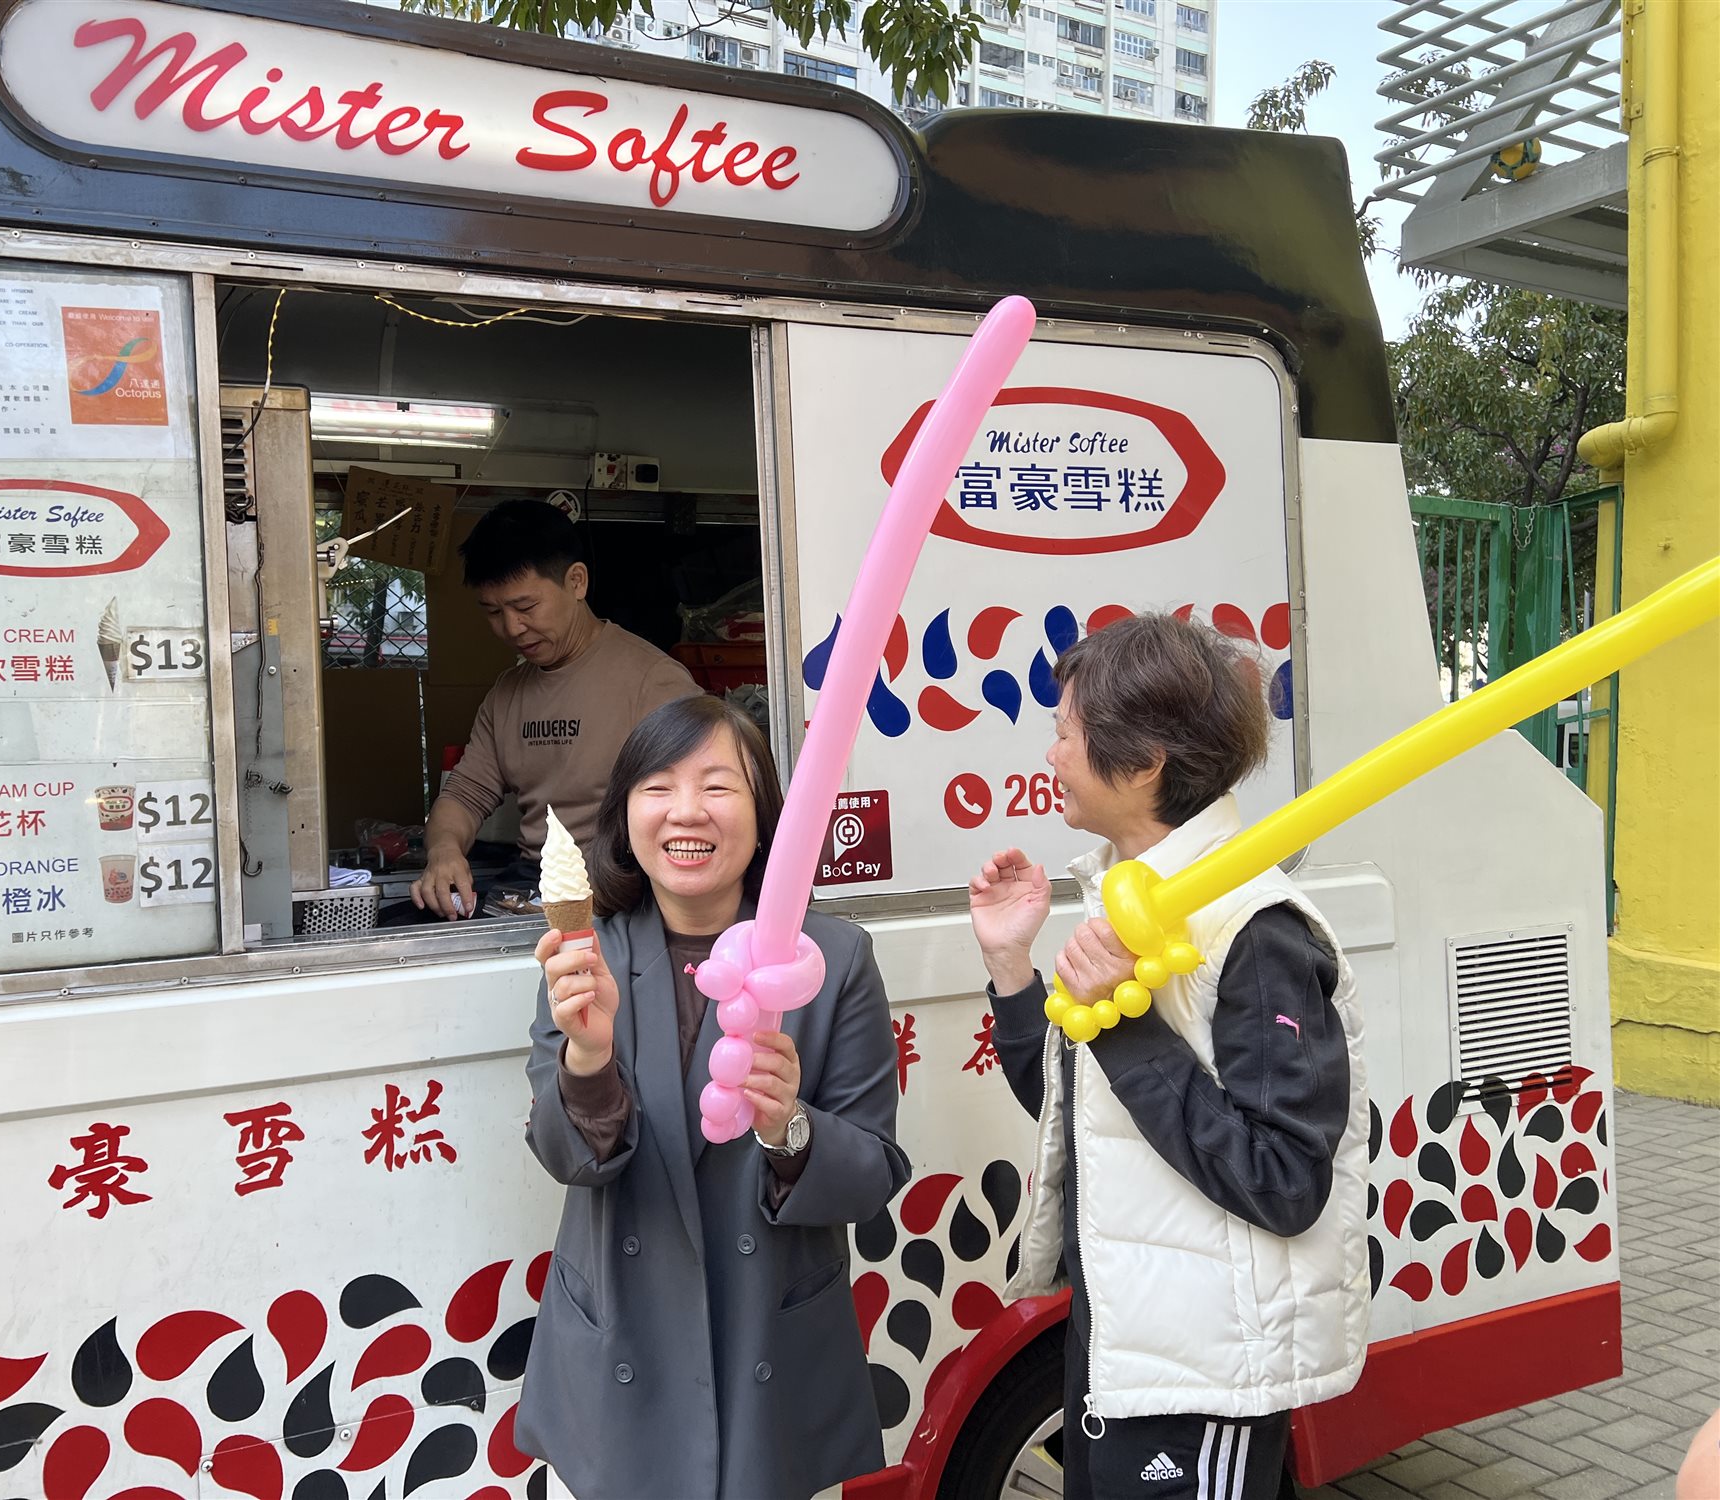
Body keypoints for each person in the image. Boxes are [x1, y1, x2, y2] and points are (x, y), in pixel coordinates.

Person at [967, 613, 1369, 1500]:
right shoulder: (1133, 900)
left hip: (1206, 1378)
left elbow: (1284, 1179)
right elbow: (1083, 1111)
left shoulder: (1254, 929)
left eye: (1066, 733)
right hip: (1123, 1352)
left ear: (1145, 761)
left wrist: (1123, 1027)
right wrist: (1010, 965)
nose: (1051, 755)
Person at [516, 694, 910, 1499]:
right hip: (618, 1358)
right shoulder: (584, 955)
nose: (686, 811)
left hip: (768, 1355)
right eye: (657, 787)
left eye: (717, 786)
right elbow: (563, 1157)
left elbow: (874, 1173)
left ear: (765, 819)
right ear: (625, 817)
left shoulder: (831, 960)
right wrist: (588, 1057)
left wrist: (790, 1127)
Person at [411, 498, 699, 918]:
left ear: (577, 582)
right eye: (493, 611)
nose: (512, 628)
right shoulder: (507, 695)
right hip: (534, 881)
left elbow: (694, 814)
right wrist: (444, 852)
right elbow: (464, 796)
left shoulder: (655, 683)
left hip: (623, 887)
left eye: (526, 607)